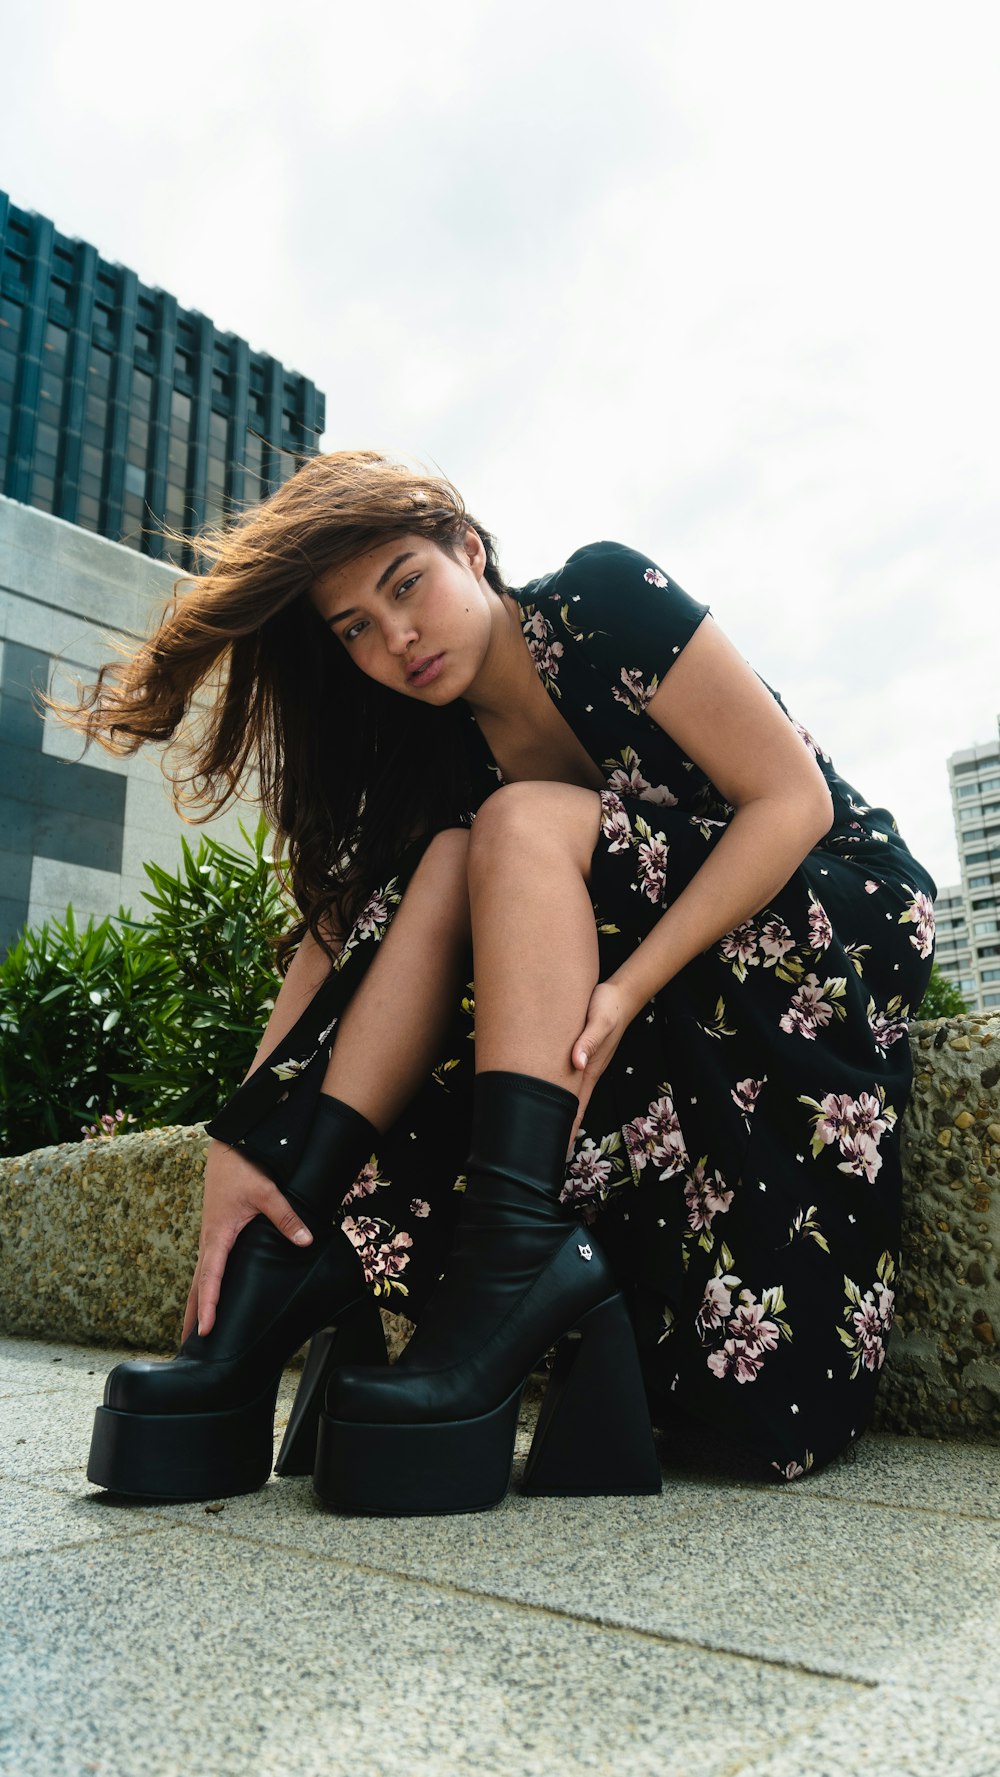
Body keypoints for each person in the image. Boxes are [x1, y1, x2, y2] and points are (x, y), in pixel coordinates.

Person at [54, 450, 936, 1511]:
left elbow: (793, 804)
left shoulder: (601, 602)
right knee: (438, 860)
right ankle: (293, 1240)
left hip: (821, 918)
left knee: (510, 826)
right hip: (661, 962)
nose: (396, 639)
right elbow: (338, 936)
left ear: (469, 551)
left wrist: (624, 988)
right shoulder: (441, 747)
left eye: (406, 584)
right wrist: (243, 1143)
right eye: (356, 631)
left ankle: (515, 1254)